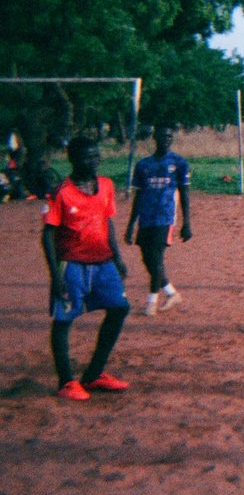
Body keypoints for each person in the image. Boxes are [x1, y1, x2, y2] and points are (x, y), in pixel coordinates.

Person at [43, 136, 132, 401]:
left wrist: (117, 257)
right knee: (63, 320)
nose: (95, 161)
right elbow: (47, 235)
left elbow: (108, 222)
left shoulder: (105, 186)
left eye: (97, 156)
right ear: (73, 159)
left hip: (103, 263)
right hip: (72, 265)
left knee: (120, 308)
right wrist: (55, 275)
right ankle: (66, 382)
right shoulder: (60, 193)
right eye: (87, 157)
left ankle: (93, 374)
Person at [124, 124, 192, 316]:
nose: (166, 140)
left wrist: (187, 223)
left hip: (165, 217)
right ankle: (171, 293)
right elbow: (138, 196)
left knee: (156, 257)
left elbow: (185, 194)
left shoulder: (178, 163)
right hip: (146, 218)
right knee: (147, 259)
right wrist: (130, 225)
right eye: (163, 136)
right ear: (155, 138)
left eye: (170, 137)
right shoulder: (143, 165)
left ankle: (151, 302)